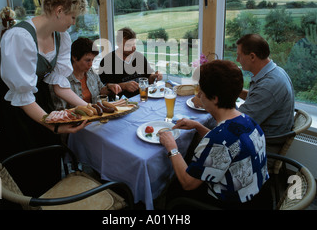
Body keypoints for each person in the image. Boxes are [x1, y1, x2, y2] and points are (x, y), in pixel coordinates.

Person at [0, 0, 90, 206]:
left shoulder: (61, 38)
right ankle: (21, 201)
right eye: (73, 17)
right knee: (20, 152)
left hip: (35, 95)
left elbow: (59, 85)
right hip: (7, 98)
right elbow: (21, 95)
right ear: (59, 11)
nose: (73, 23)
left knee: (44, 148)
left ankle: (44, 198)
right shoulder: (18, 37)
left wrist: (87, 107)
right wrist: (51, 123)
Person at [159, 60, 271, 209]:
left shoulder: (217, 139)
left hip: (232, 204)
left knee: (174, 188)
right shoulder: (248, 121)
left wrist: (172, 148)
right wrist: (199, 127)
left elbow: (188, 183)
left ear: (215, 98)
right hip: (259, 196)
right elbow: (229, 146)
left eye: (202, 92)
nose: (198, 94)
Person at [236, 34, 295, 152]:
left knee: (205, 135)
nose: (237, 60)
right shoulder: (275, 71)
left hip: (262, 146)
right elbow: (256, 97)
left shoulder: (269, 85)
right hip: (261, 134)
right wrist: (232, 90)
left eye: (239, 56)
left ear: (252, 56)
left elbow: (238, 125)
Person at [52, 37, 122, 108]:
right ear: (75, 57)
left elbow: (100, 91)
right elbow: (61, 110)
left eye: (92, 60)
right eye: (88, 60)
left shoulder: (91, 72)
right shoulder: (62, 80)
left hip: (95, 114)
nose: (91, 64)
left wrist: (109, 87)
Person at [98, 27, 162, 98]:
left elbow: (149, 79)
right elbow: (103, 91)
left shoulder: (139, 57)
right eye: (128, 45)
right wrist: (124, 86)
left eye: (134, 44)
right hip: (121, 103)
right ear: (119, 44)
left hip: (142, 97)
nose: (133, 48)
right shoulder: (107, 62)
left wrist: (155, 76)